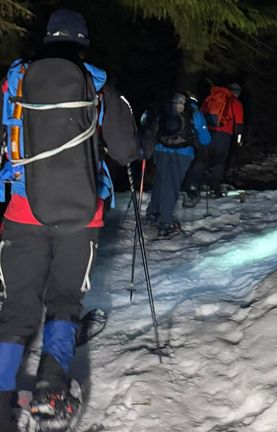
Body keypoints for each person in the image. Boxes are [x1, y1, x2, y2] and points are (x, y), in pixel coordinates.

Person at [0, 8, 140, 430]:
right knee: (65, 300)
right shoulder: (97, 84)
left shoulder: (15, 81)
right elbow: (125, 149)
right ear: (83, 41)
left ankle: (3, 399)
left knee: (16, 309)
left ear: (47, 37)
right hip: (82, 216)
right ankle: (51, 391)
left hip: (23, 213)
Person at [145, 92, 211, 237]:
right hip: (182, 153)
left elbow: (153, 128)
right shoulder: (194, 113)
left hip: (160, 149)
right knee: (172, 185)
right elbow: (206, 139)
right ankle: (165, 222)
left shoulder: (164, 109)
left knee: (160, 181)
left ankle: (152, 213)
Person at [184, 83, 244, 207]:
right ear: (237, 92)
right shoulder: (235, 102)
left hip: (206, 132)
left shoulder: (211, 97)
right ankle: (212, 187)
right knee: (219, 161)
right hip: (224, 135)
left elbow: (200, 114)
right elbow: (239, 124)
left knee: (201, 159)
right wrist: (238, 139)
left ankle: (193, 185)